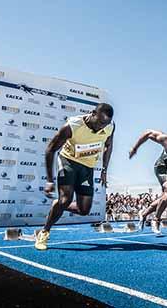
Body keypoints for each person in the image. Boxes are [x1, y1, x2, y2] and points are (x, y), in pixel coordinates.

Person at [35, 103, 115, 250]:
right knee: (65, 200)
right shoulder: (73, 126)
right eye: (99, 123)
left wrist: (104, 170)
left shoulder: (109, 126)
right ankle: (44, 232)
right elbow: (50, 150)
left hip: (87, 167)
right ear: (92, 114)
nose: (101, 127)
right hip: (68, 161)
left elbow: (109, 145)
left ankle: (57, 205)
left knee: (84, 210)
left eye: (105, 124)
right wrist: (49, 180)